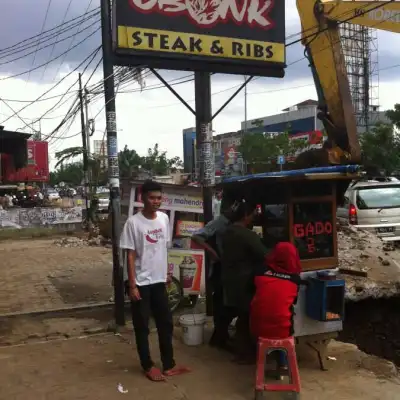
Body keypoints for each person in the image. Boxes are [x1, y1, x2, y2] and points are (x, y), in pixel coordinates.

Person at [120, 180, 190, 382]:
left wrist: (167, 272)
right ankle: (148, 365)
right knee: (142, 326)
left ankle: (169, 364)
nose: (156, 201)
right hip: (141, 283)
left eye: (159, 198)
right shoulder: (133, 223)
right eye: (152, 198)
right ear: (143, 199)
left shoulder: (164, 219)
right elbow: (130, 255)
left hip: (159, 281)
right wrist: (132, 284)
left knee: (165, 323)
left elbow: (163, 248)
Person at [221, 199, 269, 363]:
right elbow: (265, 254)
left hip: (230, 279)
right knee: (247, 317)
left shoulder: (227, 231)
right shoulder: (247, 235)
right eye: (252, 215)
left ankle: (241, 351)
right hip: (245, 281)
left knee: (242, 316)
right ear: (245, 216)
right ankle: (247, 353)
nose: (254, 218)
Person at [250, 242, 303, 373]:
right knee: (284, 318)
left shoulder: (260, 272)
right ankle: (283, 363)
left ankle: (262, 359)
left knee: (261, 312)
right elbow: (293, 302)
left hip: (257, 328)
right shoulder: (295, 279)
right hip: (282, 330)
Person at [191, 201, 235, 350]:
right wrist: (212, 252)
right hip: (219, 268)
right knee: (221, 303)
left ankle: (220, 336)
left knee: (224, 303)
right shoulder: (219, 222)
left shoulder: (231, 222)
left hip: (226, 267)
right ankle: (219, 337)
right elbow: (197, 236)